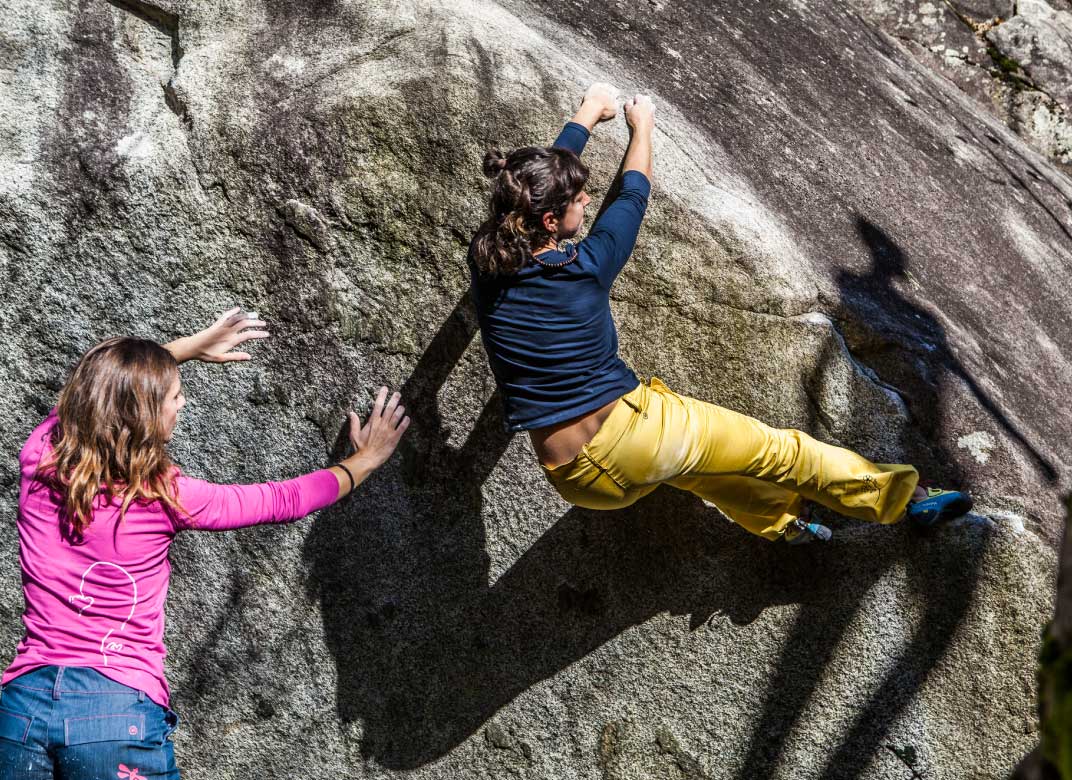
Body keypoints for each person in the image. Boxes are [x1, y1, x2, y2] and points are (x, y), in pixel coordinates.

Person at [468, 82, 971, 544]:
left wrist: (585, 116)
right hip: (638, 439)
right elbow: (633, 191)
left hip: (576, 480)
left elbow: (528, 191)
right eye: (580, 199)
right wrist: (641, 126)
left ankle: (785, 522)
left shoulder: (487, 258)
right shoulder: (589, 265)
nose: (588, 202)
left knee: (697, 467)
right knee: (783, 451)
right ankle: (909, 498)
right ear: (553, 220)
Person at [0, 309, 409, 779]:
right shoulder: (166, 497)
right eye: (174, 396)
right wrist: (366, 461)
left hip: (21, 711)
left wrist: (185, 349)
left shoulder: (40, 457)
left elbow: (93, 397)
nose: (183, 403)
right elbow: (284, 499)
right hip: (114, 712)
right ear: (146, 414)